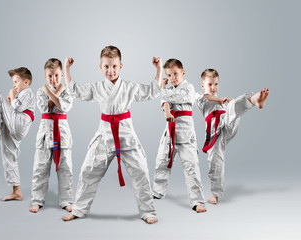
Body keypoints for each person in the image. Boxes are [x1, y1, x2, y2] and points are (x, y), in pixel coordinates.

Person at [62, 45, 162, 224]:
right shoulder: (97, 87)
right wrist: (67, 69)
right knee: (88, 171)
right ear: (100, 67)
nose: (110, 70)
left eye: (114, 66)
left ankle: (148, 211)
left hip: (126, 132)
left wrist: (159, 69)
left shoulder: (129, 86)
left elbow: (152, 92)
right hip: (104, 133)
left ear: (121, 66)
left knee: (141, 170)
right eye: (106, 66)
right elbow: (75, 91)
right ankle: (78, 209)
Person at [195, 68, 269, 204]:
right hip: (215, 134)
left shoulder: (223, 101)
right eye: (210, 84)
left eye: (216, 84)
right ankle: (216, 195)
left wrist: (228, 101)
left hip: (227, 124)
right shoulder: (201, 98)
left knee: (233, 105)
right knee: (215, 161)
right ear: (203, 85)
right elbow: (207, 97)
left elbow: (229, 104)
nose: (213, 87)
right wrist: (220, 99)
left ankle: (254, 99)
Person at [152, 59, 206, 213]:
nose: (173, 77)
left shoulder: (188, 88)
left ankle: (197, 201)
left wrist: (163, 88)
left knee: (191, 166)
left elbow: (172, 97)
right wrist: (167, 109)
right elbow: (164, 102)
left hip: (186, 131)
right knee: (161, 161)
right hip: (170, 131)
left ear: (183, 73)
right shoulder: (169, 90)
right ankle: (157, 191)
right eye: (169, 75)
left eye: (175, 73)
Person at [29, 58, 73, 213]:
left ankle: (66, 200)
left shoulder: (67, 90)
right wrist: (51, 92)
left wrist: (56, 92)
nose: (53, 79)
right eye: (50, 76)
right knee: (40, 167)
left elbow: (63, 106)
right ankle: (37, 200)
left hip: (62, 132)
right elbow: (46, 109)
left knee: (65, 168)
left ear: (61, 74)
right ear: (45, 76)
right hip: (45, 132)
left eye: (56, 75)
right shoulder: (41, 91)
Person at [0, 67, 36, 201]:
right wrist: (11, 100)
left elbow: (18, 107)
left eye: (15, 82)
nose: (13, 85)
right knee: (9, 154)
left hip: (20, 122)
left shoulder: (28, 92)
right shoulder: (22, 95)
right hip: (17, 125)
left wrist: (12, 95)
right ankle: (17, 191)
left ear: (26, 82)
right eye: (13, 83)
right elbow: (16, 106)